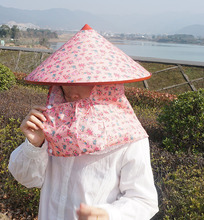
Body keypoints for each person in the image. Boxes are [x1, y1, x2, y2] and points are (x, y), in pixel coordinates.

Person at [8, 24, 159, 220]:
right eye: (67, 81)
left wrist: (108, 215)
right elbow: (26, 179)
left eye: (87, 81)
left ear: (107, 85)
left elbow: (143, 201)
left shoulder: (128, 136)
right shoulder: (55, 126)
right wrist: (34, 144)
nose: (72, 91)